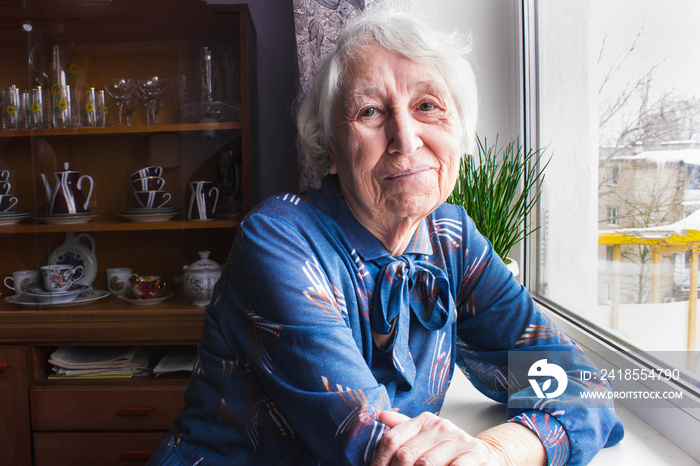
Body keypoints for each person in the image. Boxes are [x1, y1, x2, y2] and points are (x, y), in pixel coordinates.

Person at [148, 9, 623, 466]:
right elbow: (376, 446)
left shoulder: (453, 241)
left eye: (427, 106)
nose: (406, 137)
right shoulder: (279, 239)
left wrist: (500, 451)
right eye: (370, 111)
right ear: (329, 147)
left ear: (458, 127)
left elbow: (579, 383)